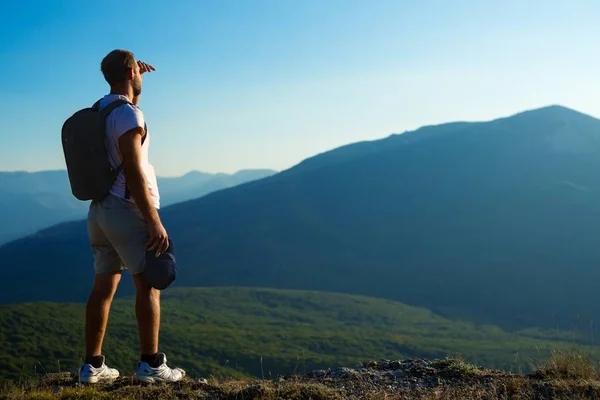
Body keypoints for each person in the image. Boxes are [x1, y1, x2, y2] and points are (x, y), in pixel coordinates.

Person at [79, 49, 185, 383]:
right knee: (149, 284)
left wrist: (133, 79)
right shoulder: (128, 116)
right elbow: (133, 168)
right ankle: (151, 366)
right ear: (129, 73)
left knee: (103, 286)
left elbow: (130, 99)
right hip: (127, 210)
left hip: (99, 212)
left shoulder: (102, 109)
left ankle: (92, 367)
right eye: (135, 70)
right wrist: (152, 218)